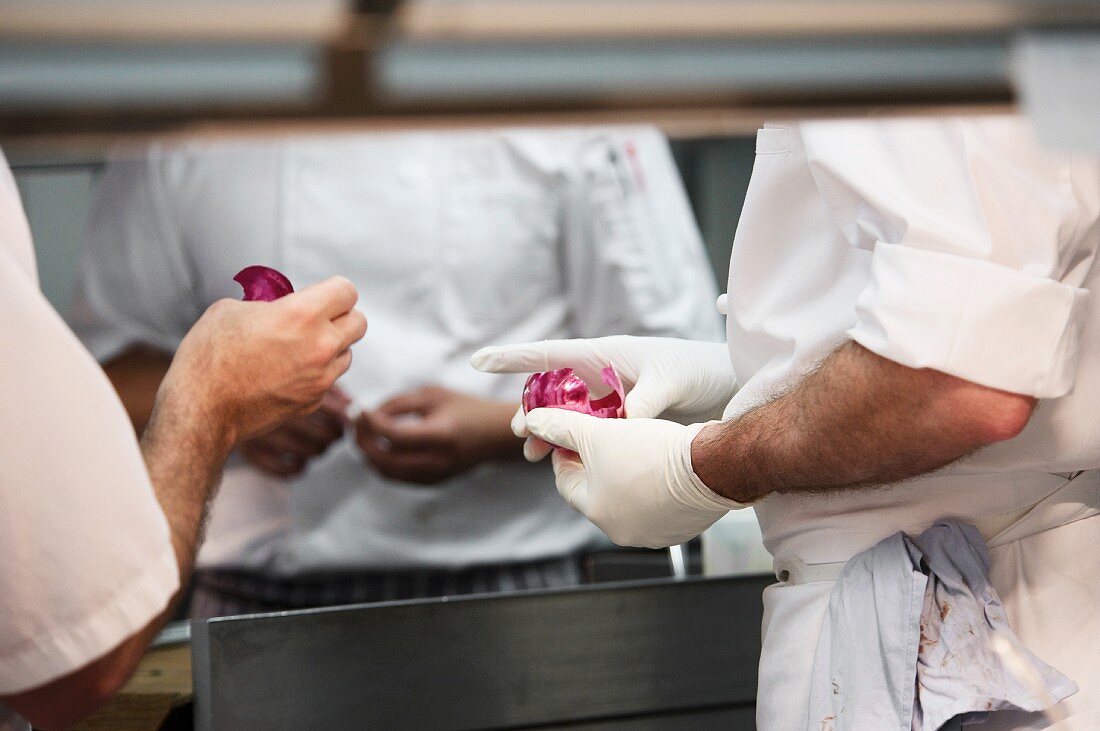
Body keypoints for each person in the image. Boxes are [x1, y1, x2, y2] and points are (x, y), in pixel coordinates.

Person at [476, 116, 1100, 728]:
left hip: (972, 618)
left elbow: (957, 383)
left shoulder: (912, 38)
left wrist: (703, 468)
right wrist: (748, 379)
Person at [72, 126, 723, 616]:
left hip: (519, 584)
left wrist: (503, 429)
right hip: (249, 596)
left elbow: (683, 374)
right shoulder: (199, 94)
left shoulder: (555, 91)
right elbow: (100, 375)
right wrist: (222, 405)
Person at [0, 148, 367, 731]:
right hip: (241, 592)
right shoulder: (180, 142)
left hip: (499, 574)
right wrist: (214, 399)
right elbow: (79, 663)